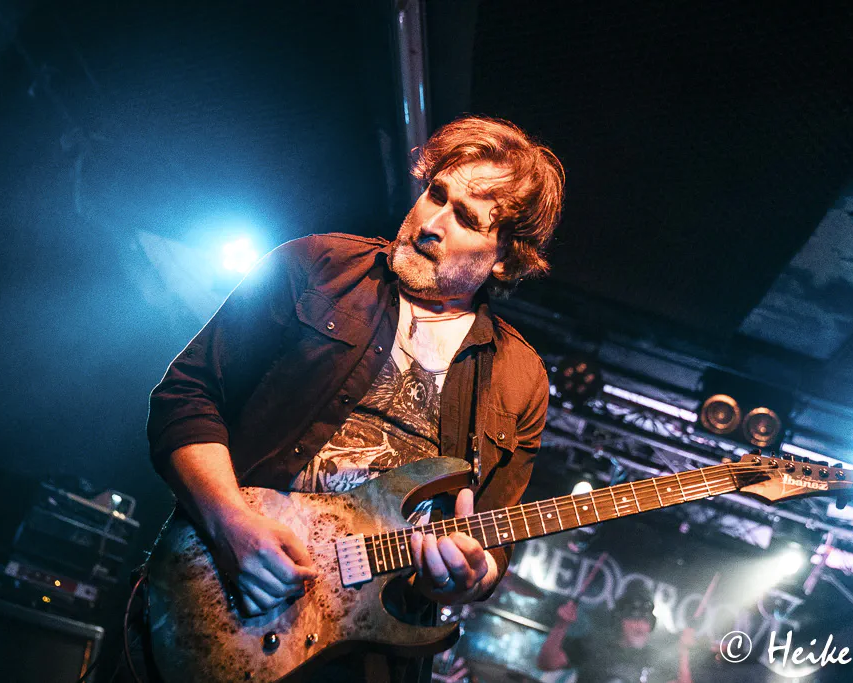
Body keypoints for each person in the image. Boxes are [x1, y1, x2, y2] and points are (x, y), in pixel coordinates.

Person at [145, 115, 565, 682]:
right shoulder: (319, 265)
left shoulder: (521, 377)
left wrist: (470, 576)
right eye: (435, 194)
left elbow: (491, 539)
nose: (430, 223)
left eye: (465, 218)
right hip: (217, 598)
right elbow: (186, 397)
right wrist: (230, 524)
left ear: (506, 259)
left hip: (368, 658)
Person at [537, 583, 662, 683]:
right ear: (618, 621)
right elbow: (547, 663)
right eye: (634, 618)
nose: (640, 626)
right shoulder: (593, 646)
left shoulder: (656, 659)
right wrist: (561, 625)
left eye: (646, 620)